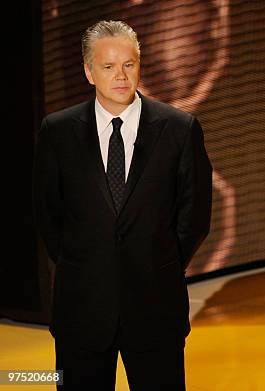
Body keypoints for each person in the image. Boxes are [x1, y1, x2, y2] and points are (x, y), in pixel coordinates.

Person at [32, 20, 212, 390]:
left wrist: (157, 262)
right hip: (81, 309)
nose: (120, 76)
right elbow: (48, 214)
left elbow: (194, 216)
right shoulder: (58, 132)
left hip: (155, 307)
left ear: (139, 66)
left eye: (128, 65)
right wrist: (82, 261)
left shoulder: (179, 129)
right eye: (108, 66)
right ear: (88, 71)